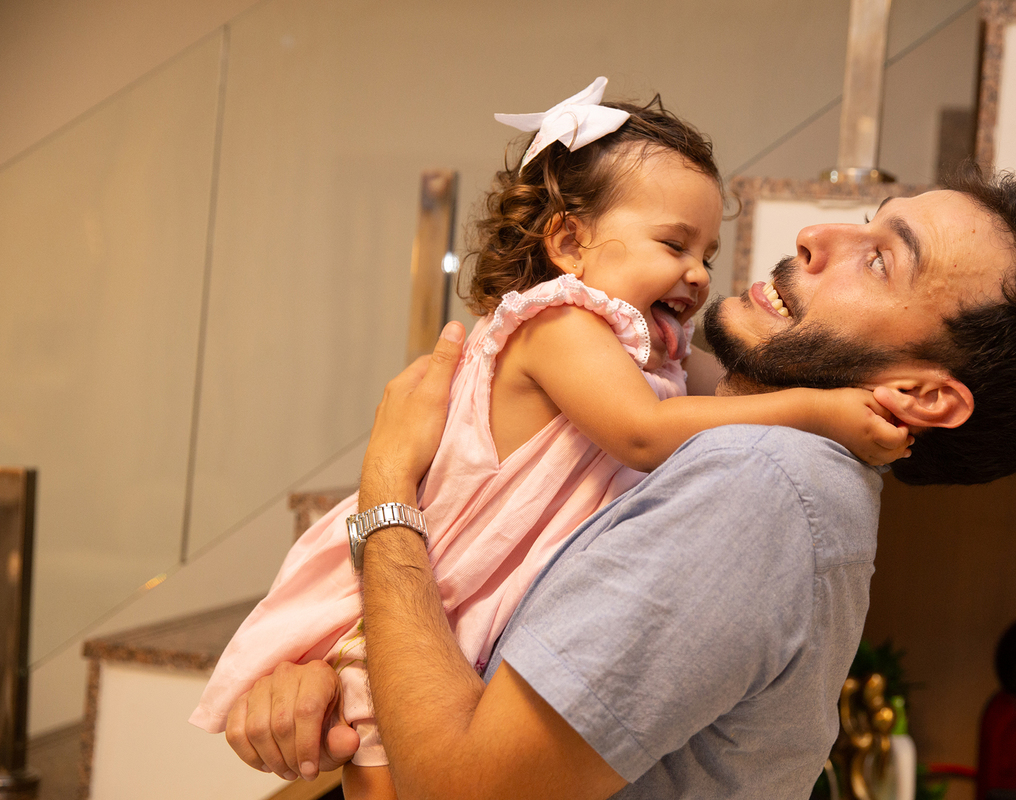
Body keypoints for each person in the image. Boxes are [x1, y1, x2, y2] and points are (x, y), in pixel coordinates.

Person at [192, 79, 915, 787]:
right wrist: (821, 411)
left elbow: (720, 399)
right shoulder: (559, 325)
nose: (697, 273)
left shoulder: (654, 347)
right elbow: (643, 431)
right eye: (674, 243)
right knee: (383, 744)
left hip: (489, 592)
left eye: (708, 255)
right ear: (570, 242)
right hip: (450, 577)